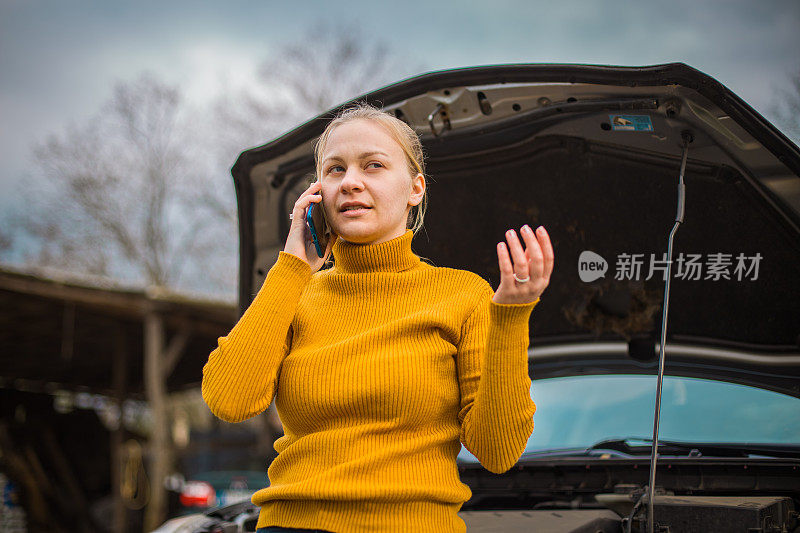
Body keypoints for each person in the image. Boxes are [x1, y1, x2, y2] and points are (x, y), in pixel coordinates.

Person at [201, 102, 554, 533]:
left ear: (415, 189)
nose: (351, 182)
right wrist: (291, 268)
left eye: (373, 166)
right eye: (335, 170)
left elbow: (498, 450)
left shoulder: (464, 295)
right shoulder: (294, 291)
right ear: (317, 195)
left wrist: (511, 316)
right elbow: (229, 400)